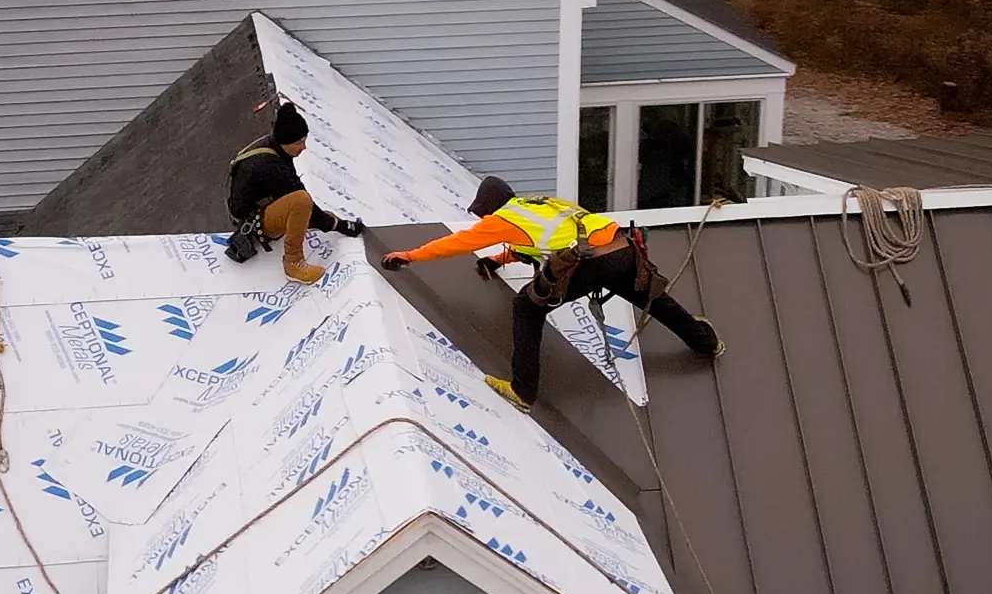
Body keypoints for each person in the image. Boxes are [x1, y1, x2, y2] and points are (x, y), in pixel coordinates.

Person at [381, 176, 722, 411]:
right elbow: (551, 239)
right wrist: (501, 259)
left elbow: (454, 244)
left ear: (489, 206)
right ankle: (706, 341)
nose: (483, 218)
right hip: (622, 248)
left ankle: (522, 390)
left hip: (591, 263)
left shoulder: (500, 218)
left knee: (527, 307)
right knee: (651, 298)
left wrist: (409, 256)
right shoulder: (541, 204)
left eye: (482, 211)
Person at [227, 102, 363, 283]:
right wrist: (339, 225)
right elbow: (299, 195)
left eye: (304, 140)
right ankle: (293, 263)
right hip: (252, 223)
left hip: (255, 209)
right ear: (286, 141)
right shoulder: (268, 165)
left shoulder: (275, 146)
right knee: (301, 201)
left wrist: (321, 219)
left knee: (305, 207)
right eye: (299, 142)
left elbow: (292, 187)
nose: (304, 147)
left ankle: (305, 224)